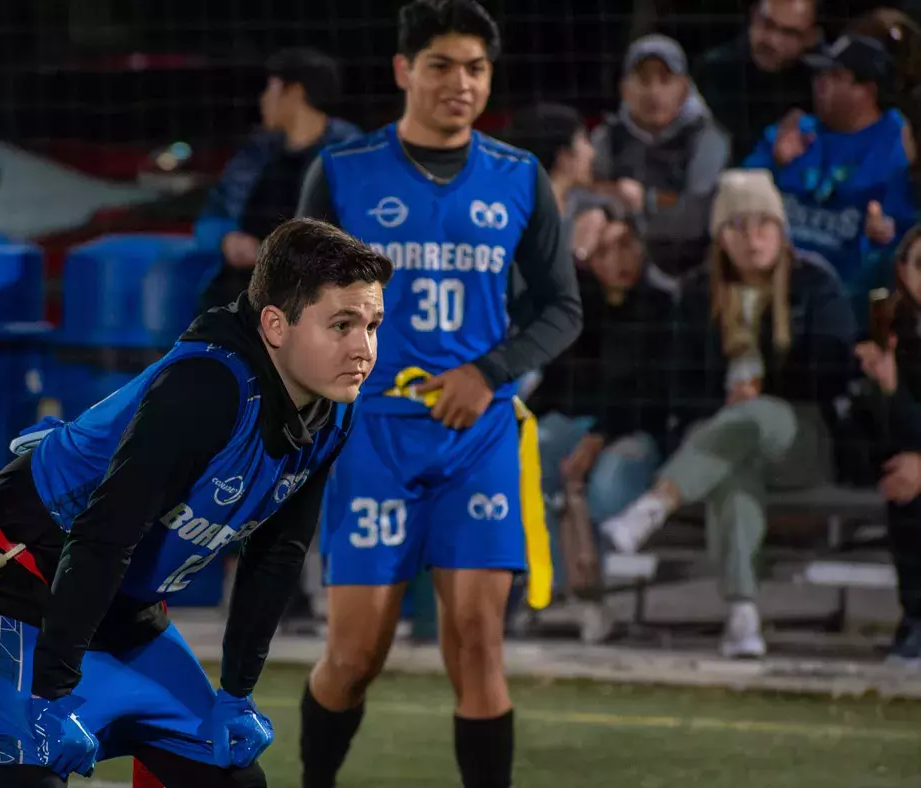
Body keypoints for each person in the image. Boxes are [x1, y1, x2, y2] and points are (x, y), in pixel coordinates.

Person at [0, 218, 392, 788]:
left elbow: (277, 553)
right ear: (275, 325)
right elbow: (103, 536)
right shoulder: (208, 388)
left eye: (372, 325)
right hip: (16, 594)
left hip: (118, 605)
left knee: (237, 781)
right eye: (341, 324)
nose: (363, 348)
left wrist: (236, 694)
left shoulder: (335, 409)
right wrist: (50, 694)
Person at [294, 2, 583, 786]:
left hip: (476, 433)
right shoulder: (344, 173)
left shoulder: (521, 177)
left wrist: (487, 374)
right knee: (355, 657)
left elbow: (563, 308)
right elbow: (287, 299)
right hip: (372, 436)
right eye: (442, 66)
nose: (461, 83)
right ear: (403, 71)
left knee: (480, 636)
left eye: (476, 68)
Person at [600, 169, 856, 658]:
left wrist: (766, 387)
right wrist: (723, 403)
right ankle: (743, 616)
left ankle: (655, 505)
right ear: (721, 236)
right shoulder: (697, 295)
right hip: (718, 441)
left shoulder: (814, 284)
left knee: (758, 415)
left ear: (781, 231)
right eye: (739, 226)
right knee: (734, 482)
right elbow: (678, 384)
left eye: (764, 224)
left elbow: (834, 370)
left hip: (798, 436)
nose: (753, 237)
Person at [526, 210, 672, 644]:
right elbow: (557, 384)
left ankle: (591, 595)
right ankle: (557, 592)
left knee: (607, 485)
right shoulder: (577, 309)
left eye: (627, 244)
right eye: (605, 249)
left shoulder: (665, 306)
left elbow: (655, 395)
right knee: (527, 456)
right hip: (580, 425)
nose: (619, 259)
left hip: (634, 431)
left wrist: (598, 437)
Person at [744, 8, 921, 321]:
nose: (820, 84)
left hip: (843, 304)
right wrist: (772, 163)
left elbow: (902, 243)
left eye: (835, 77)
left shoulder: (898, 148)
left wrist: (884, 236)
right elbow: (736, 193)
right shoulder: (793, 132)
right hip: (767, 286)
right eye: (820, 74)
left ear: (867, 92)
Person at [195, 48, 361, 312]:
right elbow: (212, 216)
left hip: (308, 301)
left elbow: (351, 242)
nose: (262, 100)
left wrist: (274, 254)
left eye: (269, 89)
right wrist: (226, 239)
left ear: (294, 92)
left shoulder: (349, 156)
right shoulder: (258, 152)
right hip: (238, 297)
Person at [591, 34, 732, 281]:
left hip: (690, 274)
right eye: (643, 79)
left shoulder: (708, 139)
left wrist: (640, 203)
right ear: (624, 89)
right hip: (616, 273)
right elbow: (580, 197)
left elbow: (695, 217)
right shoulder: (606, 137)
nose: (653, 91)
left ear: (683, 88)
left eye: (665, 79)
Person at [852, 224, 921, 667]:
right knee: (902, 483)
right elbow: (872, 430)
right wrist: (885, 386)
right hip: (905, 466)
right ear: (902, 272)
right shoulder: (893, 331)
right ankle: (915, 617)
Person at [693, 0, 820, 162]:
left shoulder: (816, 84)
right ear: (753, 17)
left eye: (789, 33)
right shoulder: (712, 70)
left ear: (810, 38)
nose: (773, 41)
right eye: (767, 24)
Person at [502, 102, 617, 264]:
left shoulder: (580, 206)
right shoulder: (515, 219)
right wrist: (577, 254)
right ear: (563, 155)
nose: (591, 152)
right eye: (584, 140)